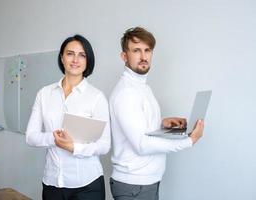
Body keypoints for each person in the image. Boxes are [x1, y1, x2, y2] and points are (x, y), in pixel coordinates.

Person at [109, 27, 204, 200]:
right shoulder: (126, 93)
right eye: (136, 50)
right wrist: (188, 141)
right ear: (124, 56)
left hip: (144, 183)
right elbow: (142, 144)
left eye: (147, 50)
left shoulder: (142, 87)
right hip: (134, 187)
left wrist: (162, 123)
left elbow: (138, 124)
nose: (143, 56)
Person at [26, 34, 111, 200]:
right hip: (52, 183)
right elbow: (30, 137)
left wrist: (73, 147)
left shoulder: (97, 97)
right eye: (70, 53)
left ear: (88, 61)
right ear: (62, 58)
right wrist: (54, 139)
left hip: (88, 185)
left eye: (82, 55)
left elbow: (104, 145)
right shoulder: (44, 94)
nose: (75, 60)